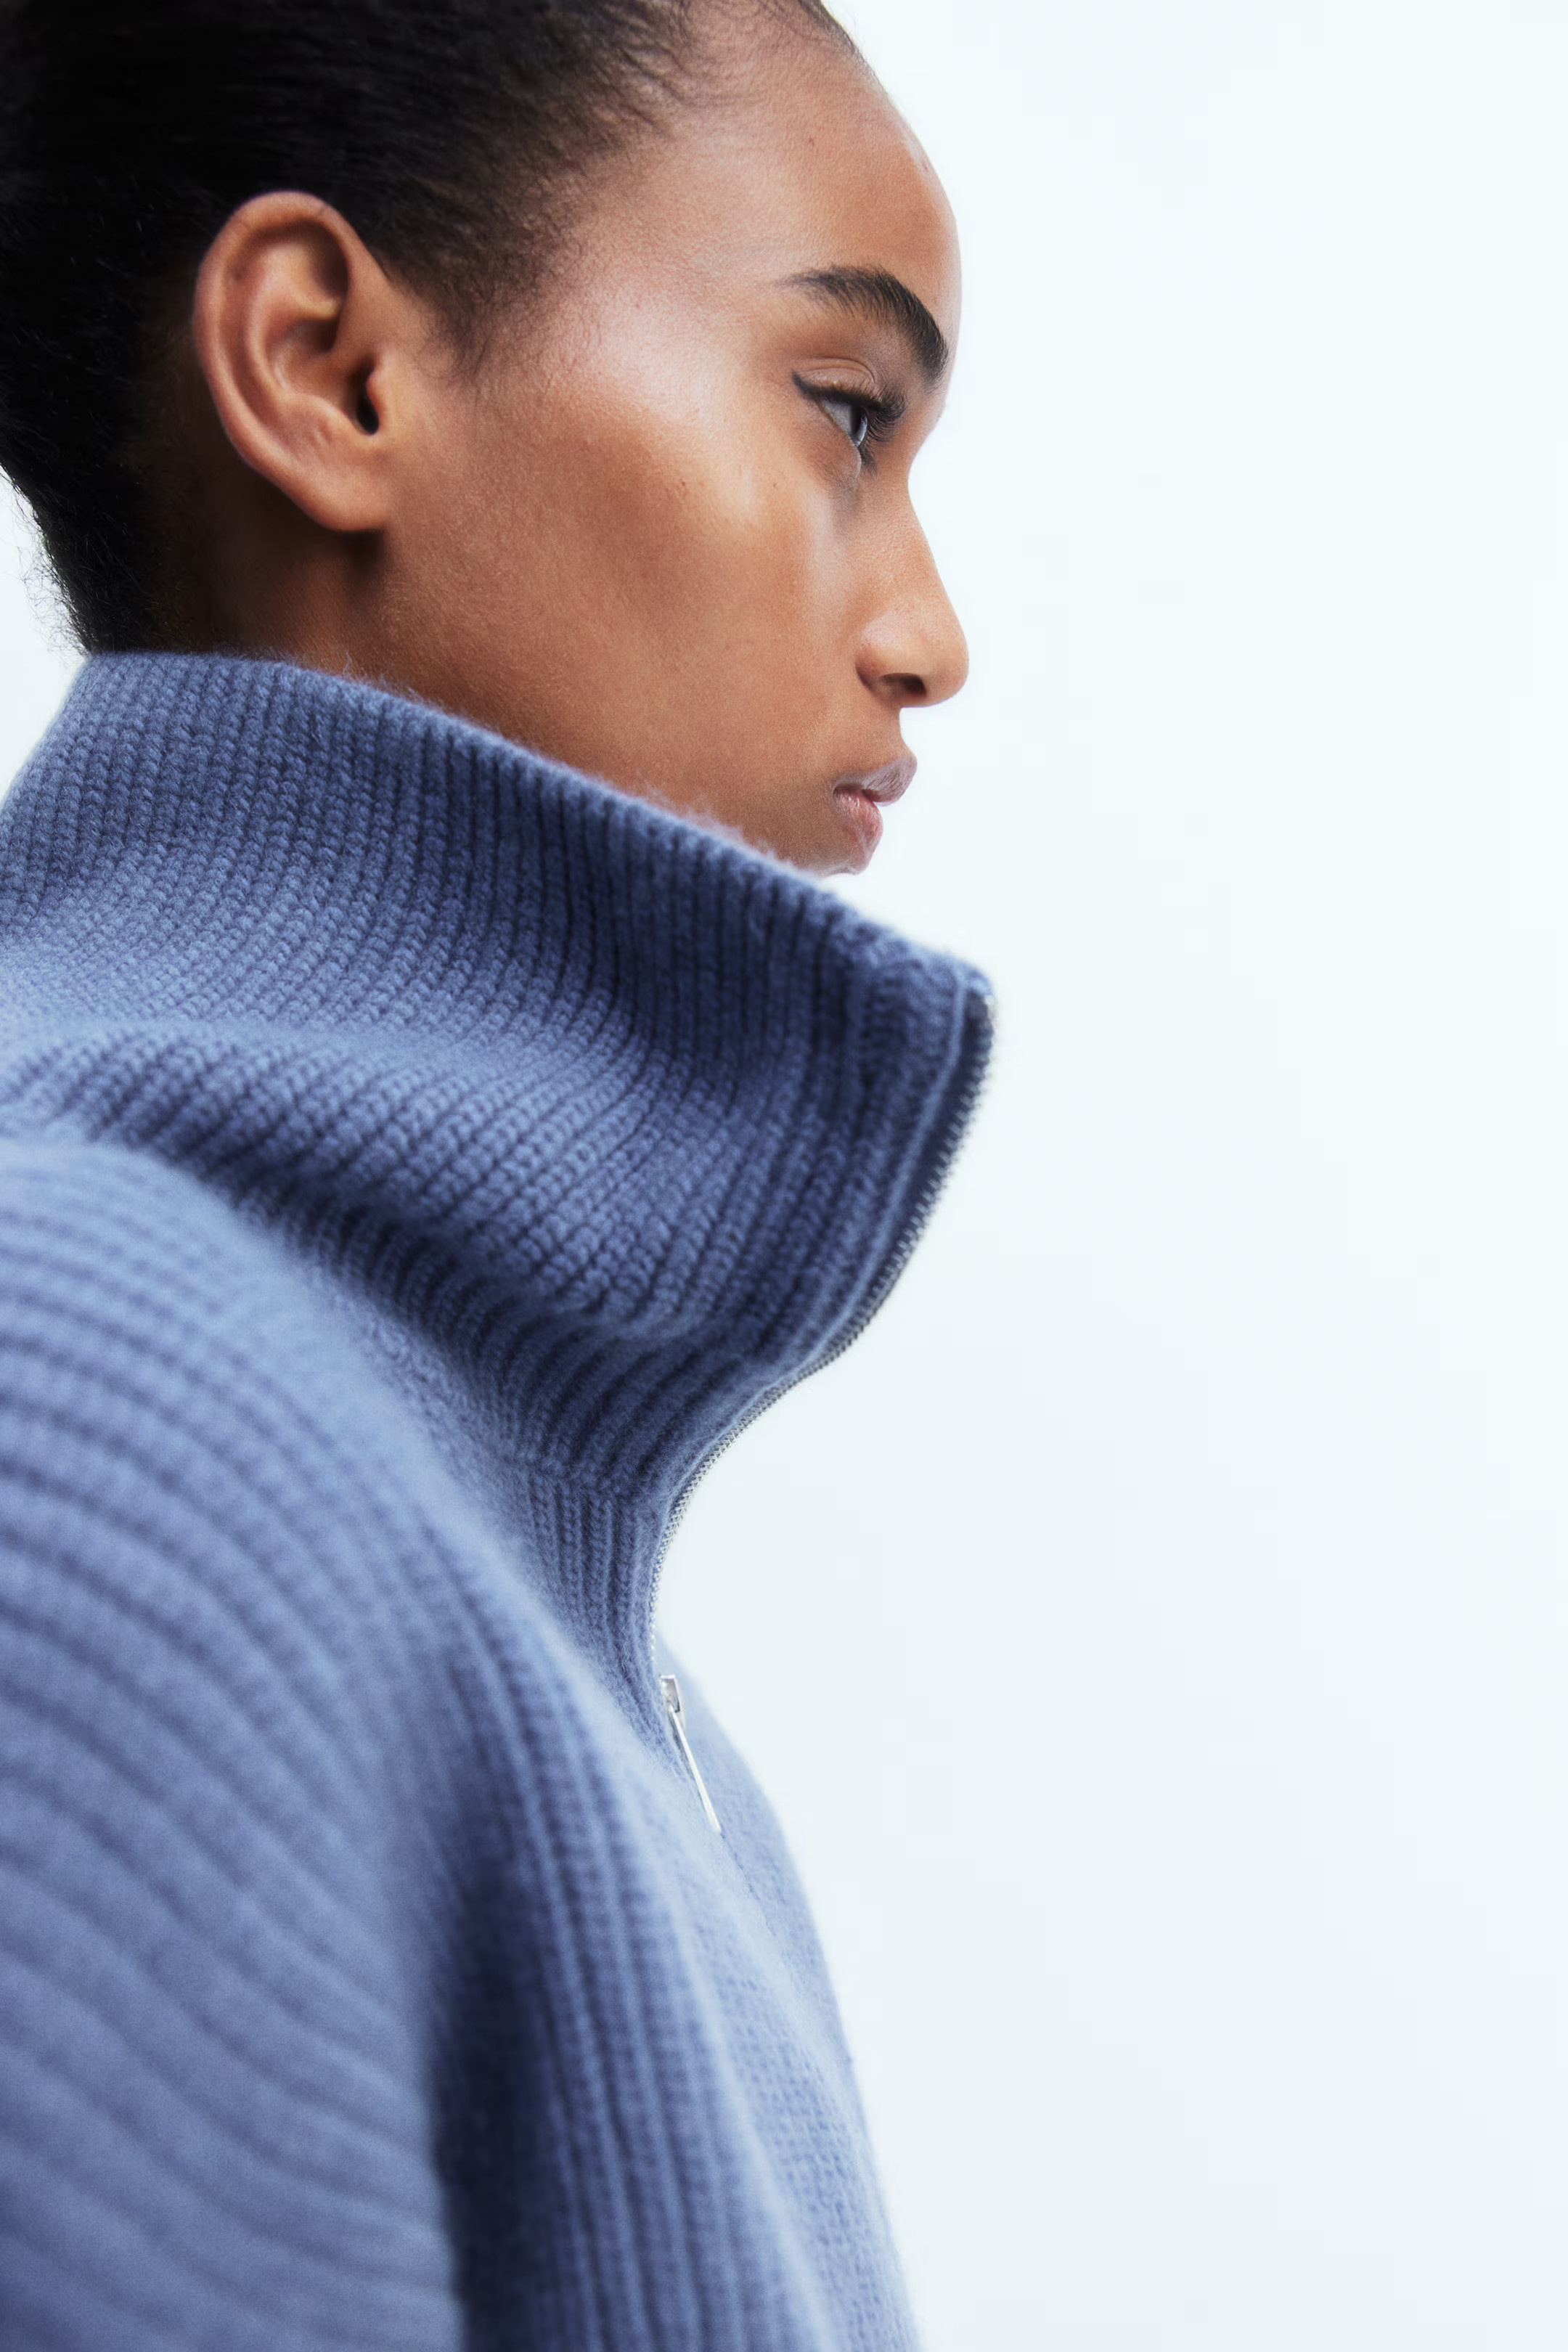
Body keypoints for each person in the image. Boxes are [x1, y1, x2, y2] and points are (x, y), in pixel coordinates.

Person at [0, 1, 989, 2344]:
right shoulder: (85, 1430)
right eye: (845, 412)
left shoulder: (599, 1677)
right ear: (327, 369)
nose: (932, 637)